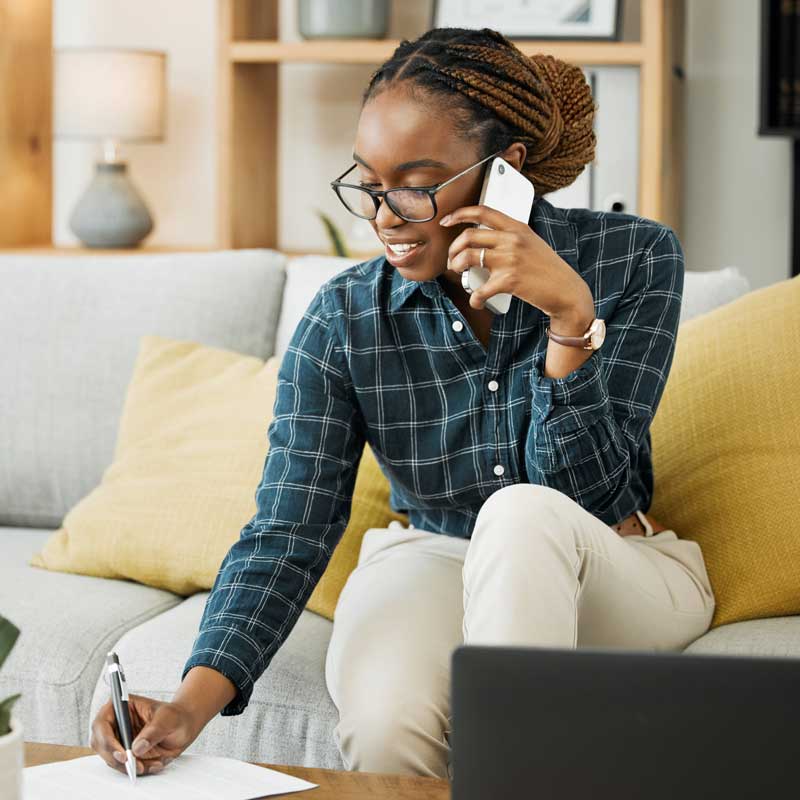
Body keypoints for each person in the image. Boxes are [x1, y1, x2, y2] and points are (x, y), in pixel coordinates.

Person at [90, 26, 715, 781]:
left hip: (613, 564)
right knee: (387, 724)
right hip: (433, 555)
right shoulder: (344, 317)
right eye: (370, 181)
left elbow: (584, 493)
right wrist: (189, 703)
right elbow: (289, 528)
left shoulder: (635, 257)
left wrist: (570, 323)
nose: (385, 212)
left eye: (416, 182)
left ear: (504, 171)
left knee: (520, 514)